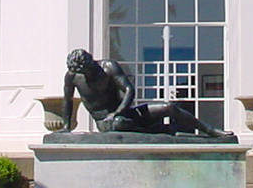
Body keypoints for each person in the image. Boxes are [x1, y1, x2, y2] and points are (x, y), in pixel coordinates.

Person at [62, 48, 227, 136]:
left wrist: (118, 111)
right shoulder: (72, 77)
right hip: (108, 123)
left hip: (126, 113)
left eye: (89, 69)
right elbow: (68, 101)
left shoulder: (108, 67)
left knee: (168, 107)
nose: (89, 74)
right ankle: (161, 131)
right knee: (119, 124)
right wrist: (66, 126)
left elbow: (129, 90)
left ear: (92, 62)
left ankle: (210, 130)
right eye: (84, 72)